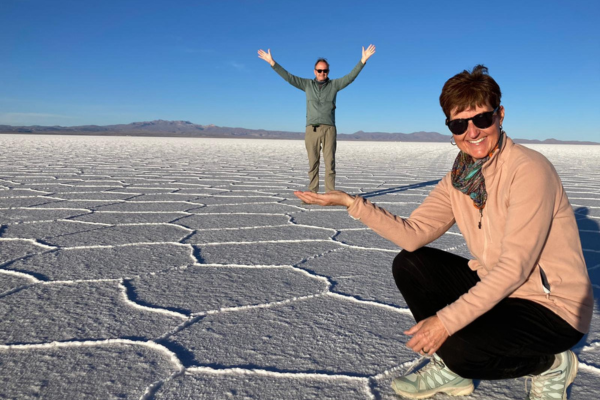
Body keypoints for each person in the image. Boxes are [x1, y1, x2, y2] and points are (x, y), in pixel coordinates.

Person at [294, 65, 593, 400]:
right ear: (450, 128)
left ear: (501, 115)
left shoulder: (528, 170)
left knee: (461, 349)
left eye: (482, 119)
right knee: (410, 263)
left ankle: (550, 364)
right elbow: (413, 234)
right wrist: (352, 203)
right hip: (502, 291)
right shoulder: (460, 178)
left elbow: (515, 268)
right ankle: (453, 372)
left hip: (552, 308)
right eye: (459, 124)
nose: (472, 132)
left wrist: (445, 323)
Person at [258, 45, 376, 194]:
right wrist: (272, 63)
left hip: (329, 130)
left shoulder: (334, 85)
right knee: (313, 163)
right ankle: (312, 193)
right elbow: (289, 77)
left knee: (329, 164)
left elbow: (350, 77)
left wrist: (363, 61)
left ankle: (331, 194)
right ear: (315, 71)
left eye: (325, 70)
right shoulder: (307, 85)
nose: (322, 73)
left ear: (328, 72)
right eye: (319, 70)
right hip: (311, 130)